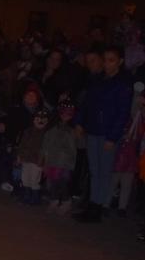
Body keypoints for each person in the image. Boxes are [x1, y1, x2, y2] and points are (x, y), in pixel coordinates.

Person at [74, 46, 133, 222]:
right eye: (106, 59)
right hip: (93, 130)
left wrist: (113, 137)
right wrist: (79, 122)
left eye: (111, 60)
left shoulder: (122, 84)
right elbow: (87, 104)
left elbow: (122, 114)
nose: (107, 64)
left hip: (107, 133)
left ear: (120, 62)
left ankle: (98, 207)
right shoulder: (98, 80)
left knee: (104, 172)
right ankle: (92, 204)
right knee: (94, 170)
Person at [110, 89, 144, 216]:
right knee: (114, 179)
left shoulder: (140, 119)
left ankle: (122, 207)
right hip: (121, 152)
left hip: (133, 154)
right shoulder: (125, 116)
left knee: (127, 182)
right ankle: (107, 203)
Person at [43, 100, 80, 214]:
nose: (65, 116)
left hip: (65, 162)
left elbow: (74, 148)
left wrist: (70, 162)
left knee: (62, 182)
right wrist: (45, 157)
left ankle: (66, 201)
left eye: (69, 114)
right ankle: (53, 201)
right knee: (53, 181)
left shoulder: (73, 130)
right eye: (63, 113)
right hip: (53, 160)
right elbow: (46, 143)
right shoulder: (53, 128)